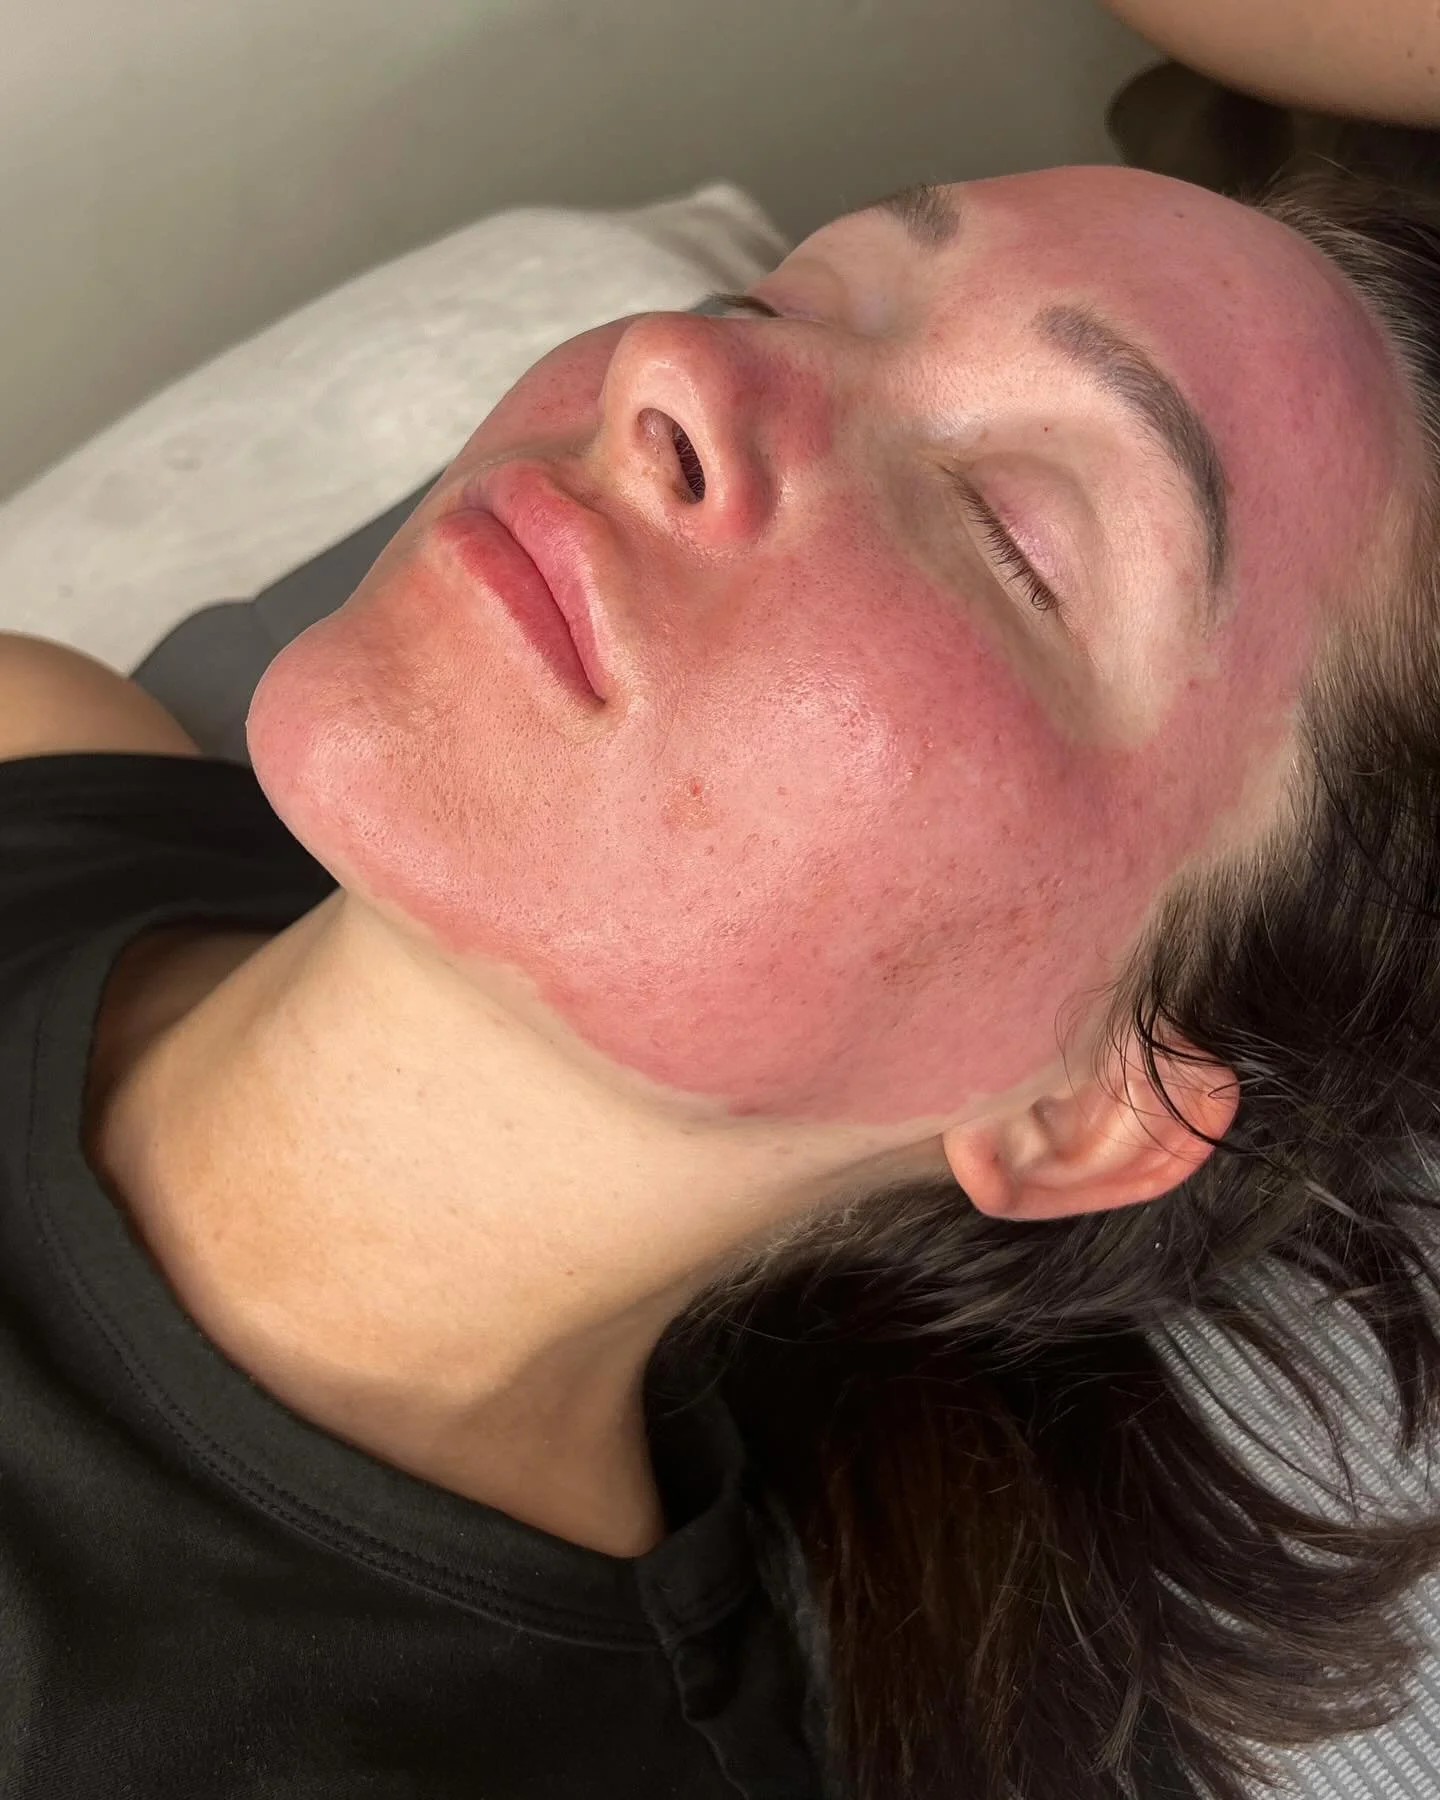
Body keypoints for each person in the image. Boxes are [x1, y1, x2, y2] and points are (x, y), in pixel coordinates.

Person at [6, 24, 1440, 1800]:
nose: (674, 364)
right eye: (790, 305)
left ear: (1085, 1108)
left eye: (1013, 531)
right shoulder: (41, 729)